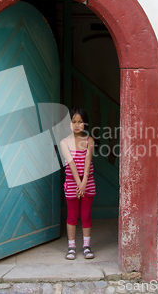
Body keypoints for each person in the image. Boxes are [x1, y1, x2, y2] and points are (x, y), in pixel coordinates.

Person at [59, 107, 96, 260]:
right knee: (72, 215)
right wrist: (78, 183)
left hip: (87, 182)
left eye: (80, 122)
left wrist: (84, 182)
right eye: (74, 121)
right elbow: (71, 163)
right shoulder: (64, 142)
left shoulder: (89, 141)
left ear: (85, 124)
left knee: (86, 215)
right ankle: (72, 246)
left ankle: (86, 246)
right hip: (72, 183)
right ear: (69, 123)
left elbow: (88, 163)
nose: (77, 125)